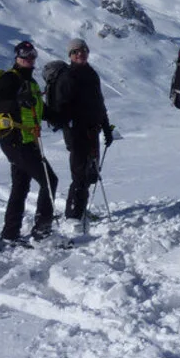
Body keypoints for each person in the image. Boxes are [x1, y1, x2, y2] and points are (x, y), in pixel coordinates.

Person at [0, 40, 58, 247]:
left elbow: (41, 110)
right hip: (15, 140)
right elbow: (0, 104)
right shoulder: (9, 79)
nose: (28, 59)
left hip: (27, 141)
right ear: (16, 57)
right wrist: (19, 101)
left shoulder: (31, 83)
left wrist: (62, 117)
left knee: (21, 187)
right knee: (50, 180)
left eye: (32, 55)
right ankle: (42, 230)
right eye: (24, 55)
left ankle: (10, 233)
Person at [57, 38, 113, 222]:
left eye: (83, 50)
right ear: (70, 56)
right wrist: (71, 128)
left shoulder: (91, 74)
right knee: (80, 175)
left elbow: (99, 103)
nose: (80, 54)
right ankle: (73, 216)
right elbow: (62, 108)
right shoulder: (68, 76)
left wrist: (106, 128)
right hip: (77, 133)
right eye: (75, 52)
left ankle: (80, 211)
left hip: (92, 131)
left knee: (91, 173)